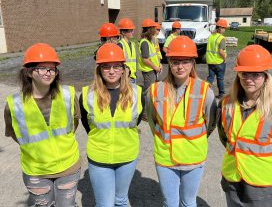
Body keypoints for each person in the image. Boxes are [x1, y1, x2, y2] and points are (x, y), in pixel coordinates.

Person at [217, 44, 272, 207]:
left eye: (256, 74)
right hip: (233, 181)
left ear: (266, 76)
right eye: (244, 73)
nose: (249, 79)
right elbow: (225, 138)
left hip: (263, 187)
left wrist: (271, 166)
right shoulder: (226, 105)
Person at [4, 43, 81, 207]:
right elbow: (15, 134)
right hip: (36, 171)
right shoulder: (14, 104)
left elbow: (73, 124)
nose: (48, 72)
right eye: (42, 68)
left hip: (68, 167)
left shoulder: (68, 95)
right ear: (30, 72)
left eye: (52, 68)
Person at [147, 36, 217, 207]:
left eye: (185, 61)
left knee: (188, 202)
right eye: (175, 61)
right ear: (169, 63)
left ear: (193, 63)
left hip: (193, 158)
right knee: (169, 203)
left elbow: (211, 123)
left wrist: (196, 139)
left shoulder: (204, 91)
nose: (180, 67)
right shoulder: (155, 90)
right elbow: (152, 121)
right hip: (165, 158)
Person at [80, 43, 144, 207]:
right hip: (99, 158)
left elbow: (135, 121)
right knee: (105, 204)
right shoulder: (87, 94)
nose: (111, 70)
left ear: (123, 69)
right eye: (106, 66)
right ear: (99, 69)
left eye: (116, 66)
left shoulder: (137, 93)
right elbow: (87, 125)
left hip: (127, 157)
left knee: (121, 200)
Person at [138, 18, 162, 121]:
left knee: (153, 92)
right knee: (147, 92)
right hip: (149, 71)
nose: (156, 30)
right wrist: (156, 67)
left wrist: (159, 65)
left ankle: (151, 111)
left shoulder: (149, 41)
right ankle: (144, 114)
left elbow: (154, 55)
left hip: (153, 70)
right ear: (149, 29)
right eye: (154, 28)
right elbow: (145, 59)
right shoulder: (144, 42)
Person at [206, 18, 228, 99]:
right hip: (219, 62)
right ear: (220, 28)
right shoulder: (221, 38)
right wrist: (224, 58)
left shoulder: (211, 36)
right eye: (224, 28)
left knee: (210, 78)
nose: (225, 30)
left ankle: (205, 91)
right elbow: (221, 51)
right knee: (220, 78)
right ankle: (221, 94)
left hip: (210, 61)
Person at [117, 18, 137, 83]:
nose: (133, 32)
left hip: (133, 76)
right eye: (130, 31)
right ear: (123, 32)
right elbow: (118, 63)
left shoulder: (132, 44)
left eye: (132, 30)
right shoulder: (120, 45)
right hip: (126, 77)